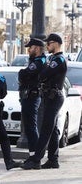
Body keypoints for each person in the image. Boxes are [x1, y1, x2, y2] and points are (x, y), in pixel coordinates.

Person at [22, 33, 67, 170]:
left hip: (54, 97)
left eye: (49, 43)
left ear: (56, 43)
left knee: (46, 128)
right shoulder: (52, 58)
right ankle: (53, 160)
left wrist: (43, 73)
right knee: (52, 129)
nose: (47, 46)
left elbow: (43, 74)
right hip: (49, 96)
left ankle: (36, 160)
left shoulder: (58, 60)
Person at [18, 38, 47, 157]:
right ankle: (33, 155)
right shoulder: (35, 60)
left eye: (31, 47)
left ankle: (35, 156)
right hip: (29, 95)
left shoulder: (39, 62)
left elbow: (24, 74)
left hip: (32, 96)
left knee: (31, 126)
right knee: (29, 127)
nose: (29, 50)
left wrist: (22, 73)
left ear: (37, 48)